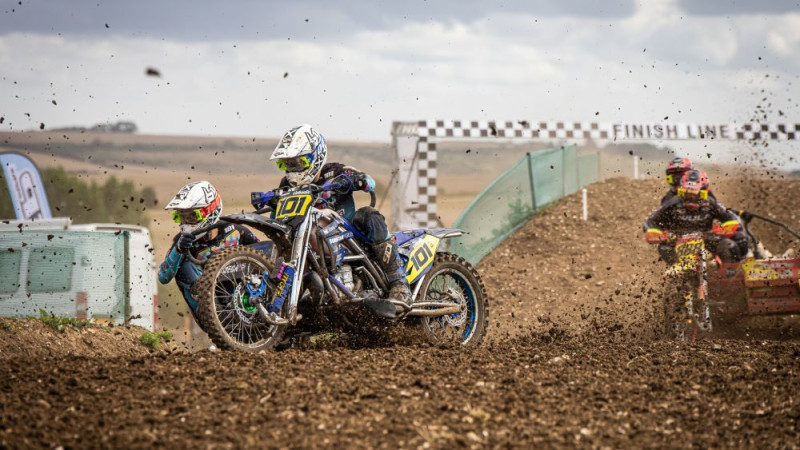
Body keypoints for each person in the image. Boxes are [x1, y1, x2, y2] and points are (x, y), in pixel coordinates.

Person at [266, 124, 411, 317]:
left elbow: (368, 180)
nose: (291, 170)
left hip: (347, 234)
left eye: (296, 163)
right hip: (311, 242)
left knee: (368, 214)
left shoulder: (334, 172)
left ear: (314, 157)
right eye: (286, 164)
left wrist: (357, 180)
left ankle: (399, 283)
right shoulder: (286, 185)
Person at [158, 181, 259, 321]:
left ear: (210, 211)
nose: (185, 222)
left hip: (248, 297)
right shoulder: (181, 241)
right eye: (180, 217)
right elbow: (163, 277)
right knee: (183, 266)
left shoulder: (235, 231)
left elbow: (265, 254)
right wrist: (178, 250)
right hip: (212, 310)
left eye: (192, 216)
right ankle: (217, 311)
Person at [644, 169, 748, 263]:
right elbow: (650, 221)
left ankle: (731, 275)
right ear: (680, 191)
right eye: (686, 193)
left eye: (696, 195)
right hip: (678, 242)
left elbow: (733, 218)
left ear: (705, 192)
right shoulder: (672, 203)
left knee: (729, 245)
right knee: (664, 247)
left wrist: (723, 229)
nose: (691, 198)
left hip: (708, 241)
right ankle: (678, 275)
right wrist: (657, 234)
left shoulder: (711, 203)